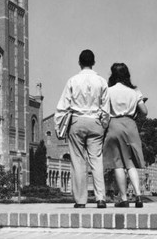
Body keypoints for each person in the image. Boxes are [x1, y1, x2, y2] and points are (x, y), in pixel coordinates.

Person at [55, 49, 110, 208]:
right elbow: (106, 108)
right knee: (96, 160)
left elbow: (63, 106)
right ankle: (101, 198)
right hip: (96, 122)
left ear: (79, 62)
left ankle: (80, 200)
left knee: (78, 161)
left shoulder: (72, 81)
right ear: (94, 62)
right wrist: (104, 124)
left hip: (77, 121)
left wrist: (60, 126)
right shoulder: (101, 81)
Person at [103, 63, 148, 208]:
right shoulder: (134, 91)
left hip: (114, 124)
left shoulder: (108, 91)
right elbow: (144, 111)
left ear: (112, 75)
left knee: (118, 164)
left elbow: (103, 111)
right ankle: (138, 195)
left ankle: (123, 198)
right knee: (131, 163)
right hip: (130, 125)